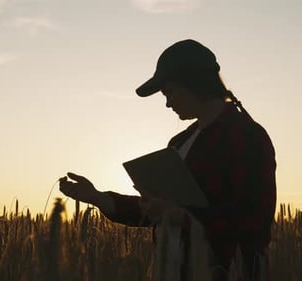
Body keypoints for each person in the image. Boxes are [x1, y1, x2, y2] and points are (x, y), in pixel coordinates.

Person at [59, 39, 276, 281]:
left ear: (193, 83)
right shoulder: (180, 142)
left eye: (169, 92)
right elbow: (156, 210)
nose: (167, 103)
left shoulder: (245, 135)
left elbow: (254, 222)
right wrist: (97, 197)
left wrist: (180, 218)